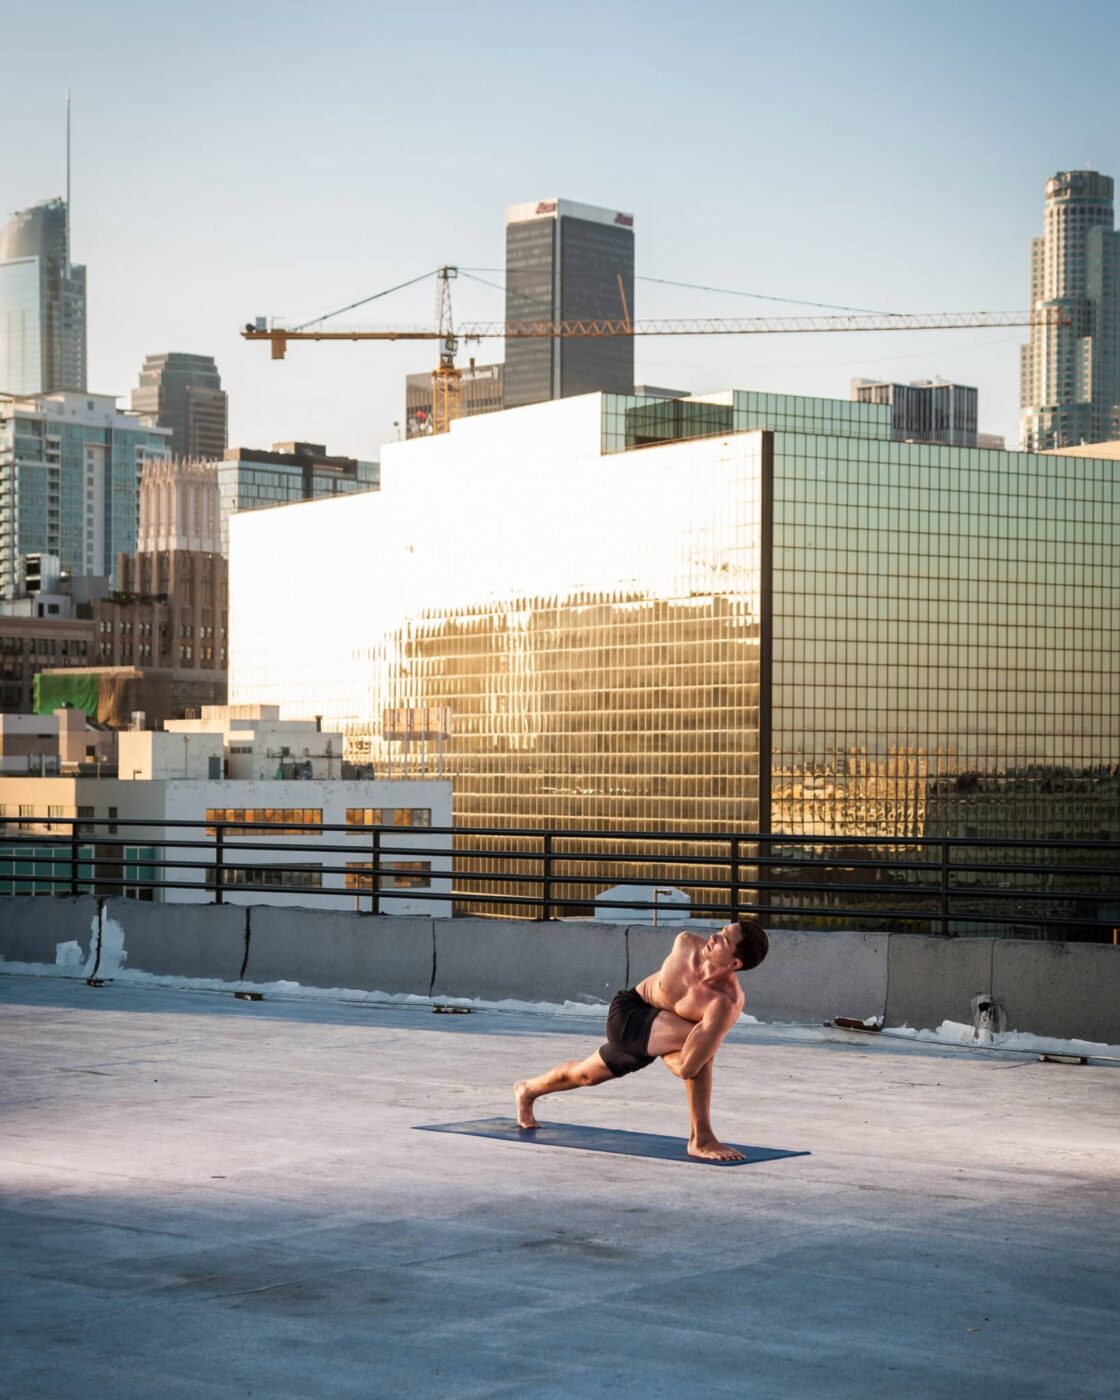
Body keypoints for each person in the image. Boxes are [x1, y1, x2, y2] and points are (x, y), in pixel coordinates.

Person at [513, 917, 769, 1161]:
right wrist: (683, 1053)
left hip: (655, 1035)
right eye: (722, 930)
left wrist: (687, 1054)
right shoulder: (687, 943)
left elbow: (688, 1068)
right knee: (703, 1049)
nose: (714, 936)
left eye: (724, 940)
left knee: (584, 1075)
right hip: (629, 1015)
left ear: (734, 964)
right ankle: (700, 1139)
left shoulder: (725, 1003)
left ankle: (527, 1090)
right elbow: (688, 1066)